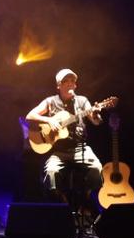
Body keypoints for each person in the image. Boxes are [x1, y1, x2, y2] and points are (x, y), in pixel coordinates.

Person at [25, 68, 109, 216]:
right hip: (58, 152)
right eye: (66, 81)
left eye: (72, 81)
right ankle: (64, 210)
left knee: (96, 167)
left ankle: (86, 199)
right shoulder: (50, 102)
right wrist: (49, 119)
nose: (70, 84)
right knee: (51, 172)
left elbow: (96, 122)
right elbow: (30, 116)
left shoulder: (82, 101)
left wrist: (96, 113)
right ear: (59, 85)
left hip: (80, 148)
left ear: (75, 85)